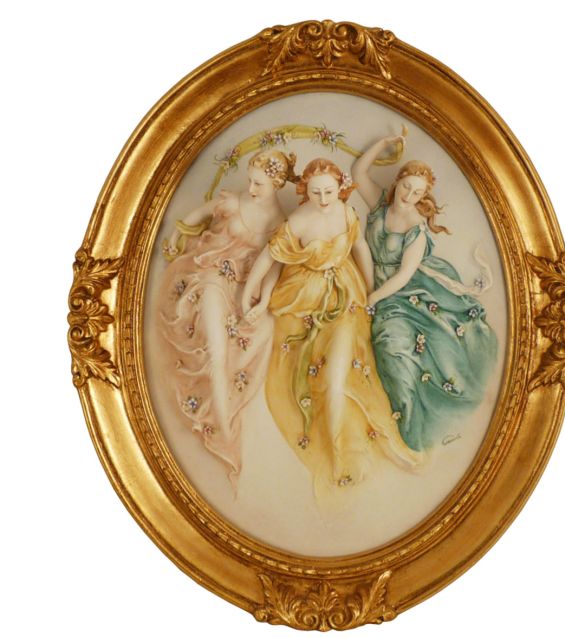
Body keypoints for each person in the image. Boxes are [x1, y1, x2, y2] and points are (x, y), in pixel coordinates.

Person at [242, 158, 421, 494]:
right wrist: (253, 296)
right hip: (302, 301)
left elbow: (360, 247)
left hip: (345, 296)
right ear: (305, 191)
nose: (323, 199)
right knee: (307, 377)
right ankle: (336, 455)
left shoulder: (346, 212)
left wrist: (369, 293)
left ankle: (363, 447)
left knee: (338, 376)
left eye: (329, 191)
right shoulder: (298, 220)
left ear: (340, 187)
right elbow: (269, 258)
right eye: (315, 192)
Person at [157, 150, 297, 487]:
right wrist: (176, 237)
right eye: (250, 181)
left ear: (277, 183)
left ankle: (227, 432)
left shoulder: (281, 224)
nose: (251, 188)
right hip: (211, 277)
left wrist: (264, 300)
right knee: (218, 354)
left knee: (260, 335)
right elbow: (198, 214)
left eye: (259, 184)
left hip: (244, 291)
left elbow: (273, 267)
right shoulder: (235, 202)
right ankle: (224, 434)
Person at [352, 136, 498, 450]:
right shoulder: (379, 204)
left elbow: (404, 275)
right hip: (366, 276)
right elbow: (358, 172)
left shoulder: (416, 228)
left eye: (417, 192)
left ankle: (409, 430)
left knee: (393, 348)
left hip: (400, 294)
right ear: (397, 181)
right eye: (406, 187)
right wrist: (384, 143)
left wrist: (374, 298)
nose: (409, 196)